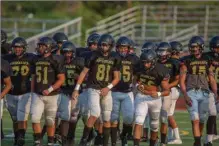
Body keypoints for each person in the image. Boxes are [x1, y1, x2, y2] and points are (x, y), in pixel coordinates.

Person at [72, 34, 121, 146]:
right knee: (95, 113)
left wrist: (108, 88)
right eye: (101, 45)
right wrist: (76, 89)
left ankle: (103, 142)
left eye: (105, 45)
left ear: (111, 46)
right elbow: (84, 72)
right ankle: (83, 140)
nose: (103, 47)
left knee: (107, 117)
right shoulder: (93, 55)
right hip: (93, 88)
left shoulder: (115, 57)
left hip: (106, 89)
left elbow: (117, 78)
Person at [180, 36, 218, 146]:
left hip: (205, 92)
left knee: (201, 119)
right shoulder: (186, 60)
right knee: (195, 118)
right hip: (191, 91)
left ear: (201, 47)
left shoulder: (207, 59)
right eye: (192, 47)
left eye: (196, 47)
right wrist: (185, 95)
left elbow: (211, 78)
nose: (194, 49)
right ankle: (197, 142)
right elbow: (182, 81)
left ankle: (199, 138)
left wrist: (215, 92)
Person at [31, 37, 65, 146]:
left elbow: (61, 79)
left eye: (42, 46)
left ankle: (50, 142)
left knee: (50, 120)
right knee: (35, 118)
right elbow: (33, 77)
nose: (39, 48)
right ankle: (37, 141)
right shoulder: (36, 59)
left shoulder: (56, 59)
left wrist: (50, 89)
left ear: (48, 47)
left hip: (52, 95)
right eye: (39, 45)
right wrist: (32, 92)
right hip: (37, 94)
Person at [3, 37, 36, 146]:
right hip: (11, 92)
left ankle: (20, 139)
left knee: (22, 117)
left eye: (19, 47)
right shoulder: (7, 58)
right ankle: (17, 136)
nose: (17, 49)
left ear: (24, 48)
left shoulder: (31, 58)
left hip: (25, 92)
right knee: (15, 118)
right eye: (15, 47)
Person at [133, 49, 170, 146]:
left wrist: (158, 94)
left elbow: (167, 91)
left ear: (153, 61)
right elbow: (135, 81)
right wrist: (137, 86)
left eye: (148, 63)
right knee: (138, 120)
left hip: (155, 99)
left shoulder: (161, 70)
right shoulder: (139, 67)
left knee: (154, 125)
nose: (145, 65)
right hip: (141, 97)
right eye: (144, 62)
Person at [110, 36, 139, 146]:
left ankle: (124, 136)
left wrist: (135, 82)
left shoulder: (134, 59)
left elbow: (138, 72)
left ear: (128, 48)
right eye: (121, 47)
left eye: (125, 47)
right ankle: (114, 141)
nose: (123, 50)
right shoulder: (113, 57)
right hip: (114, 91)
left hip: (128, 92)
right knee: (113, 118)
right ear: (117, 48)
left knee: (129, 118)